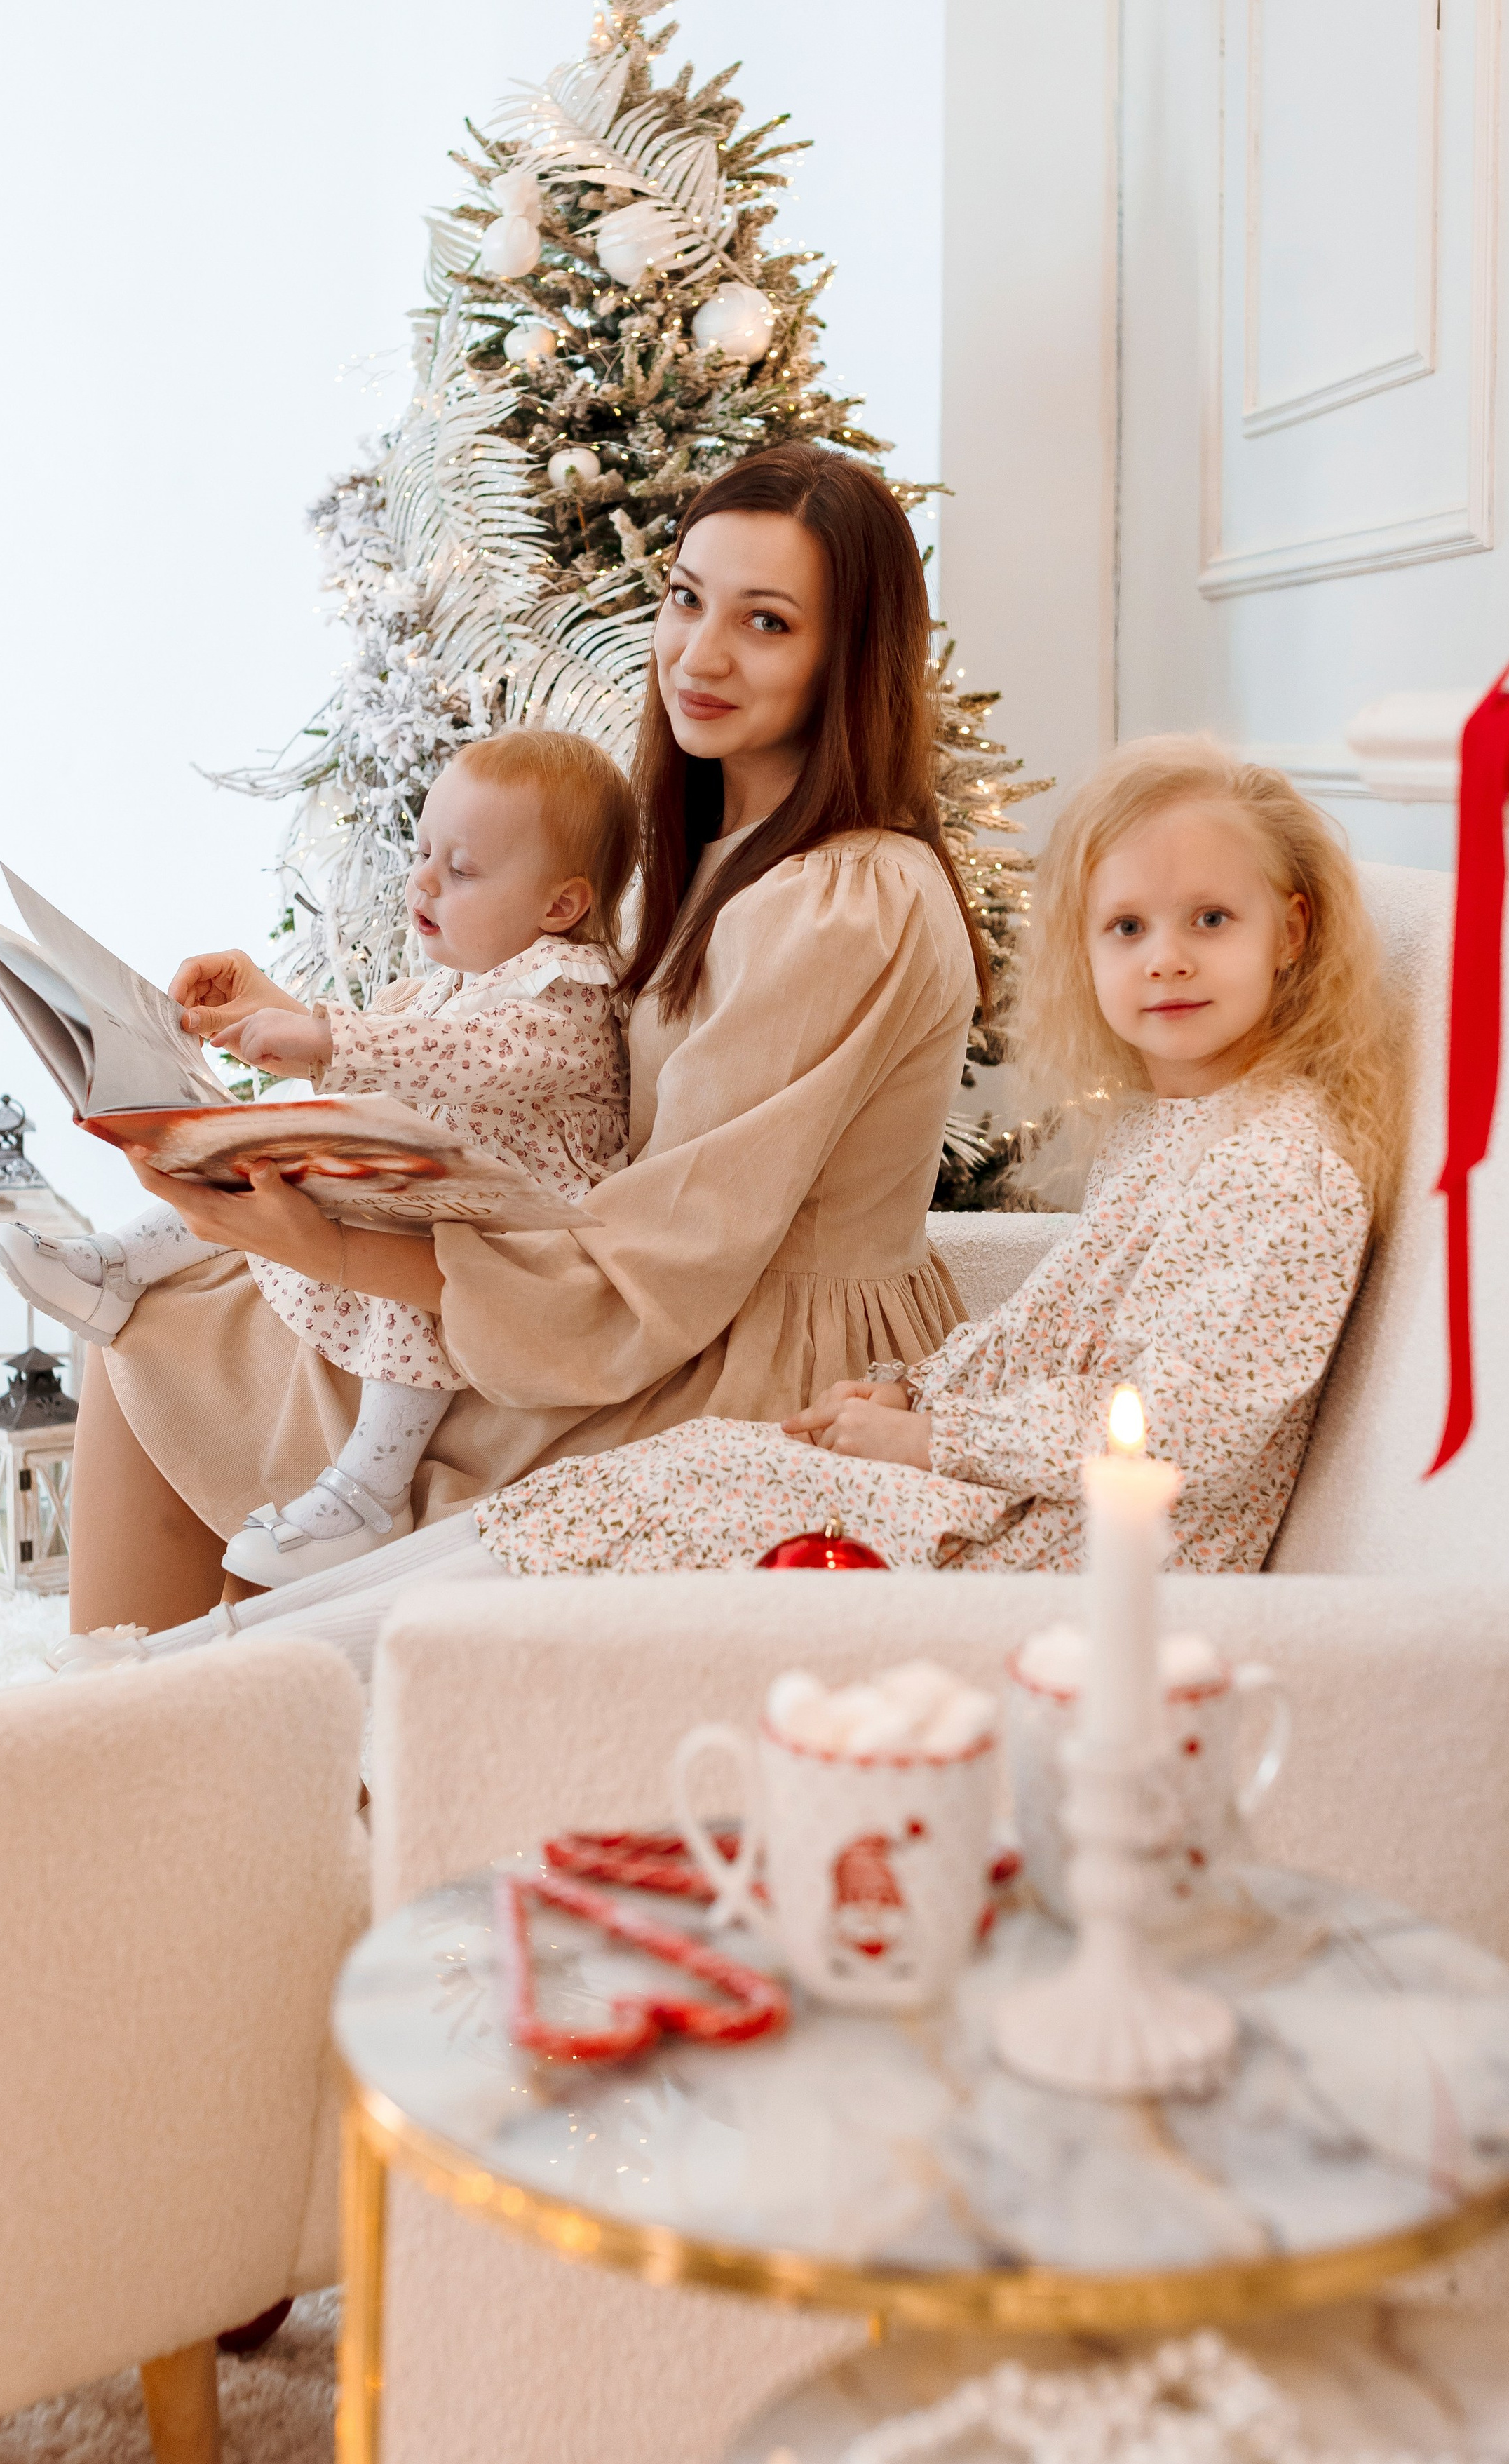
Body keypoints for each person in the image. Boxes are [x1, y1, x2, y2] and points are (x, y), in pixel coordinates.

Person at [102, 734, 1395, 1680]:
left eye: (1207, 919)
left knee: (667, 1493)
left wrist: (933, 1443)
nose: (1164, 956)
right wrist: (912, 1397)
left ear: (1287, 931)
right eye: (1128, 928)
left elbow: (1187, 1427)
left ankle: (210, 1684)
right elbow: (1074, 1349)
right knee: (655, 1483)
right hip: (993, 1502)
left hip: (1049, 1566)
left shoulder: (1282, 1168)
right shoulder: (1183, 1137)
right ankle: (215, 1667)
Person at [65, 443, 988, 1636]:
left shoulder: (844, 903)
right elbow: (539, 1066)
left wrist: (337, 1249)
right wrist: (291, 1025)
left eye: (766, 623)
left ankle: (136, 1750)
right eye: (685, 597)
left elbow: (659, 1266)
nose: (698, 656)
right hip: (649, 1298)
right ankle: (123, 1739)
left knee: (187, 1336)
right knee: (178, 1315)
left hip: (737, 1364)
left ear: (847, 657)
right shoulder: (715, 852)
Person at [0, 732, 634, 1587]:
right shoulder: (459, 977)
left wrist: (324, 1038)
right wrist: (282, 1023)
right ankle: (118, 1264)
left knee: (405, 1263)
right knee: (270, 1145)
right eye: (422, 853)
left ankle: (371, 1490)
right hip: (442, 1198)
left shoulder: (565, 996)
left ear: (559, 907)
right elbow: (409, 1044)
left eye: (463, 870)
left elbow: (460, 1056)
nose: (424, 881)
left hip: (517, 1249)